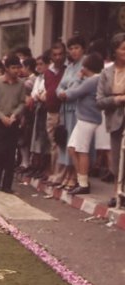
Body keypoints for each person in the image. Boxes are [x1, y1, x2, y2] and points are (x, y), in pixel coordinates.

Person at [64, 52, 104, 194]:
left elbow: (72, 94)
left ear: (87, 67)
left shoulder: (91, 81)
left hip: (88, 118)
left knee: (82, 150)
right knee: (72, 148)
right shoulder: (96, 80)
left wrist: (77, 79)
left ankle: (83, 183)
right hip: (85, 118)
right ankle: (82, 179)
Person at [0, 53, 26, 193]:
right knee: (0, 152)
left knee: (11, 154)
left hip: (13, 122)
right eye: (13, 67)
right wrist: (2, 117)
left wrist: (15, 114)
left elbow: (22, 103)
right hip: (0, 122)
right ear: (7, 68)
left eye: (18, 67)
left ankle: (7, 185)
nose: (16, 70)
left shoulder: (21, 84)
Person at [96, 32, 125, 208]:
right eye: (123, 48)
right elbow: (99, 101)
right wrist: (117, 100)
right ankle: (116, 192)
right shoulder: (106, 73)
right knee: (116, 158)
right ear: (115, 50)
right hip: (114, 119)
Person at [56, 35, 86, 190]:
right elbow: (59, 86)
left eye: (77, 48)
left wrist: (66, 93)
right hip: (66, 108)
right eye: (71, 48)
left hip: (78, 108)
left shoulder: (85, 65)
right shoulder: (69, 67)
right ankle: (68, 172)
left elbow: (79, 86)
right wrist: (61, 92)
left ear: (83, 49)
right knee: (66, 141)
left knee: (76, 144)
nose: (74, 51)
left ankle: (75, 175)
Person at [43, 41, 67, 185]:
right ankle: (54, 172)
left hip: (63, 111)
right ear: (51, 56)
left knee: (62, 143)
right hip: (51, 112)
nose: (58, 57)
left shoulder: (67, 70)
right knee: (53, 143)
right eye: (55, 55)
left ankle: (60, 175)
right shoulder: (48, 72)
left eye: (60, 54)